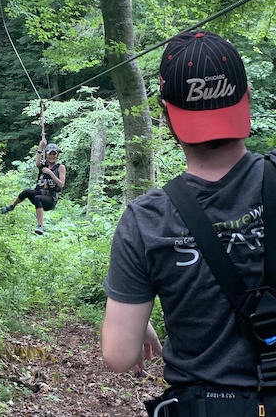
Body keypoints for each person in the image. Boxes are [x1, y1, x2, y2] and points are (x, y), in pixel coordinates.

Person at [101, 30, 272, 416]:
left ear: (166, 115)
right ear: (245, 99)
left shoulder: (146, 220)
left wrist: (133, 314)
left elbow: (118, 354)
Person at [0, 138, 66, 235]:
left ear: (57, 155)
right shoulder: (44, 165)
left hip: (50, 199)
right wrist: (40, 148)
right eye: (50, 154)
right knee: (27, 192)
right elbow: (37, 163)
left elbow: (61, 184)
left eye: (54, 154)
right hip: (40, 191)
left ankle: (40, 226)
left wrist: (50, 173)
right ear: (46, 155)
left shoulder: (60, 167)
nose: (52, 156)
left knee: (37, 198)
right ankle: (11, 206)